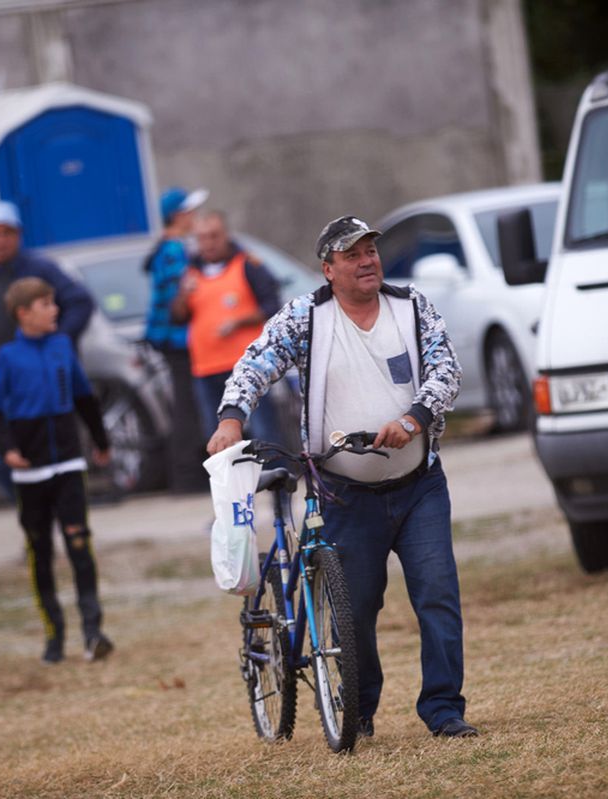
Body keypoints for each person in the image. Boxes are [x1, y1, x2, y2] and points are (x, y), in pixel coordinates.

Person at [205, 216, 478, 739]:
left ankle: (444, 710)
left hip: (419, 484)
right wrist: (232, 416)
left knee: (437, 594)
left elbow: (447, 369)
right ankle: (359, 707)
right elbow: (258, 361)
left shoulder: (412, 306)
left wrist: (413, 418)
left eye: (371, 250)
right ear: (329, 269)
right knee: (355, 608)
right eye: (352, 254)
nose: (367, 260)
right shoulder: (307, 316)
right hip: (344, 492)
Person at [0, 277, 114, 665]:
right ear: (24, 314)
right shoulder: (6, 357)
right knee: (40, 553)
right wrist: (8, 450)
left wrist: (101, 441)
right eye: (46, 304)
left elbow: (83, 397)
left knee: (79, 545)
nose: (55, 310)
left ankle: (93, 632)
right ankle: (54, 634)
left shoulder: (62, 347)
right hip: (31, 473)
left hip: (69, 465)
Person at [0, 200, 96, 499]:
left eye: (6, 232)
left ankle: (58, 508)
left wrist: (58, 341)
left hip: (38, 380)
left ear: (19, 234)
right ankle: (29, 503)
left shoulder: (39, 269)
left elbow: (80, 302)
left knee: (48, 450)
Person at [171, 209, 283, 446]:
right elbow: (177, 317)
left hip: (247, 367)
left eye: (214, 236)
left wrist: (238, 322)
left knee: (263, 431)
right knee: (217, 437)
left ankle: (275, 477)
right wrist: (182, 295)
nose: (209, 243)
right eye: (202, 238)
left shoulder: (247, 265)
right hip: (206, 368)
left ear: (225, 235)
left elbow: (272, 305)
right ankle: (231, 483)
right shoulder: (190, 272)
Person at [143, 186, 210, 492]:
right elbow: (179, 300)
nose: (194, 217)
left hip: (175, 340)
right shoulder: (173, 250)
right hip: (176, 341)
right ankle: (186, 476)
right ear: (177, 216)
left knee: (188, 404)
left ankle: (187, 473)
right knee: (186, 406)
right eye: (189, 211)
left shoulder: (170, 247)